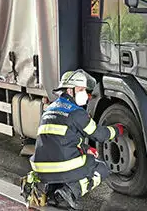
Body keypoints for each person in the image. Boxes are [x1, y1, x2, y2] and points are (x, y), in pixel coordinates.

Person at [24, 70, 123, 210]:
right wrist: (118, 129)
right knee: (101, 167)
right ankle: (69, 192)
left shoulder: (50, 109)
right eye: (81, 90)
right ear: (70, 91)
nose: (85, 94)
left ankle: (46, 188)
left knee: (67, 163)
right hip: (62, 166)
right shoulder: (77, 112)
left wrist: (85, 148)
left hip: (40, 167)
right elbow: (99, 135)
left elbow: (61, 139)